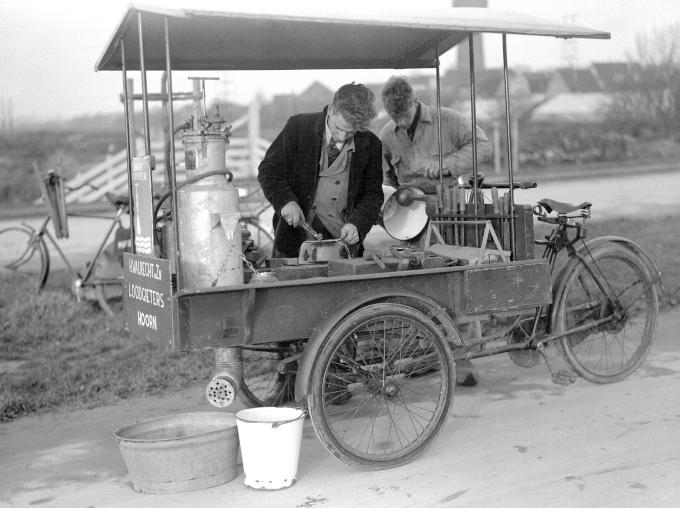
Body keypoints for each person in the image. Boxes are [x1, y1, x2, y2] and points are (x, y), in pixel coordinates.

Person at [380, 75, 493, 386]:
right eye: (394, 117)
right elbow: (387, 178)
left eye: (403, 115)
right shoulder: (387, 134)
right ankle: (430, 354)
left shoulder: (447, 120)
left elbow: (483, 146)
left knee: (457, 285)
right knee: (422, 288)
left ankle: (466, 359)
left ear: (415, 102)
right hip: (413, 219)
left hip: (449, 213)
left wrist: (447, 165)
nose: (400, 122)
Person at [258, 83, 383, 258]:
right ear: (331, 110)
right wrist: (285, 201)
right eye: (339, 128)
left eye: (351, 132)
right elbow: (269, 170)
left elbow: (373, 195)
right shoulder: (298, 127)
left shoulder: (371, 144)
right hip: (293, 240)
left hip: (342, 244)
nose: (342, 137)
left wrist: (357, 224)